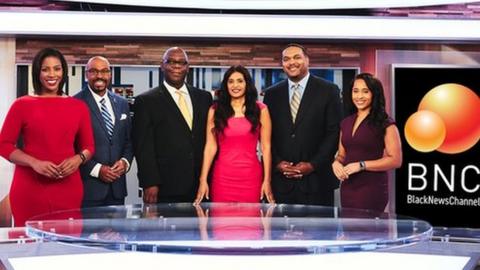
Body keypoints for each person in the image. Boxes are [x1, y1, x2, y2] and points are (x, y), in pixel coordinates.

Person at [0, 48, 94, 226]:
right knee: (29, 245)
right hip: (30, 188)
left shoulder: (78, 107)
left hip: (68, 187)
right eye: (45, 69)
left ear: (63, 72)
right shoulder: (21, 105)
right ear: (37, 72)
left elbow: (89, 146)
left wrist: (78, 159)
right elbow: (4, 145)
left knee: (66, 245)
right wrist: (34, 163)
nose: (52, 74)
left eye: (57, 69)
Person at [263, 43, 342, 206]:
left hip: (317, 182)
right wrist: (277, 163)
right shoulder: (271, 94)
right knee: (278, 232)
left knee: (319, 232)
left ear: (307, 60)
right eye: (286, 59)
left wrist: (312, 165)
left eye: (297, 57)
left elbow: (333, 132)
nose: (291, 62)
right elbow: (266, 135)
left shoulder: (329, 90)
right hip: (281, 183)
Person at [132, 47, 212, 203]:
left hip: (201, 183)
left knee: (200, 227)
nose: (177, 67)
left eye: (182, 63)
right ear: (162, 65)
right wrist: (149, 182)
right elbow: (143, 147)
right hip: (166, 186)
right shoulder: (146, 101)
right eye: (171, 62)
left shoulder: (204, 97)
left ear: (188, 67)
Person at [194, 65, 275, 204]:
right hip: (222, 178)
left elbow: (266, 148)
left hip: (251, 177)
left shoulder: (261, 110)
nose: (235, 85)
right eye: (230, 81)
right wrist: (203, 180)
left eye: (240, 81)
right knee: (221, 223)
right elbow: (210, 147)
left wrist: (267, 180)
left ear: (247, 84)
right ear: (226, 85)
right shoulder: (215, 110)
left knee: (250, 223)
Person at [332, 73, 402, 212]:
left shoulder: (385, 123)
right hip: (348, 186)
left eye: (365, 91)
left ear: (374, 94)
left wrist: (362, 165)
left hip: (372, 188)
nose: (359, 96)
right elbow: (341, 155)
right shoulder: (346, 122)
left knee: (368, 231)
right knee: (349, 229)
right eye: (355, 91)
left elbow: (396, 160)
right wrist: (336, 163)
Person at [74, 56, 133, 207]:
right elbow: (72, 147)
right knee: (89, 231)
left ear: (110, 74)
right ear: (86, 75)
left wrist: (125, 162)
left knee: (118, 231)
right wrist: (97, 169)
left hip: (117, 190)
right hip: (89, 190)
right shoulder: (74, 104)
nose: (99, 76)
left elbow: (129, 140)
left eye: (104, 71)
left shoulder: (122, 103)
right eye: (93, 71)